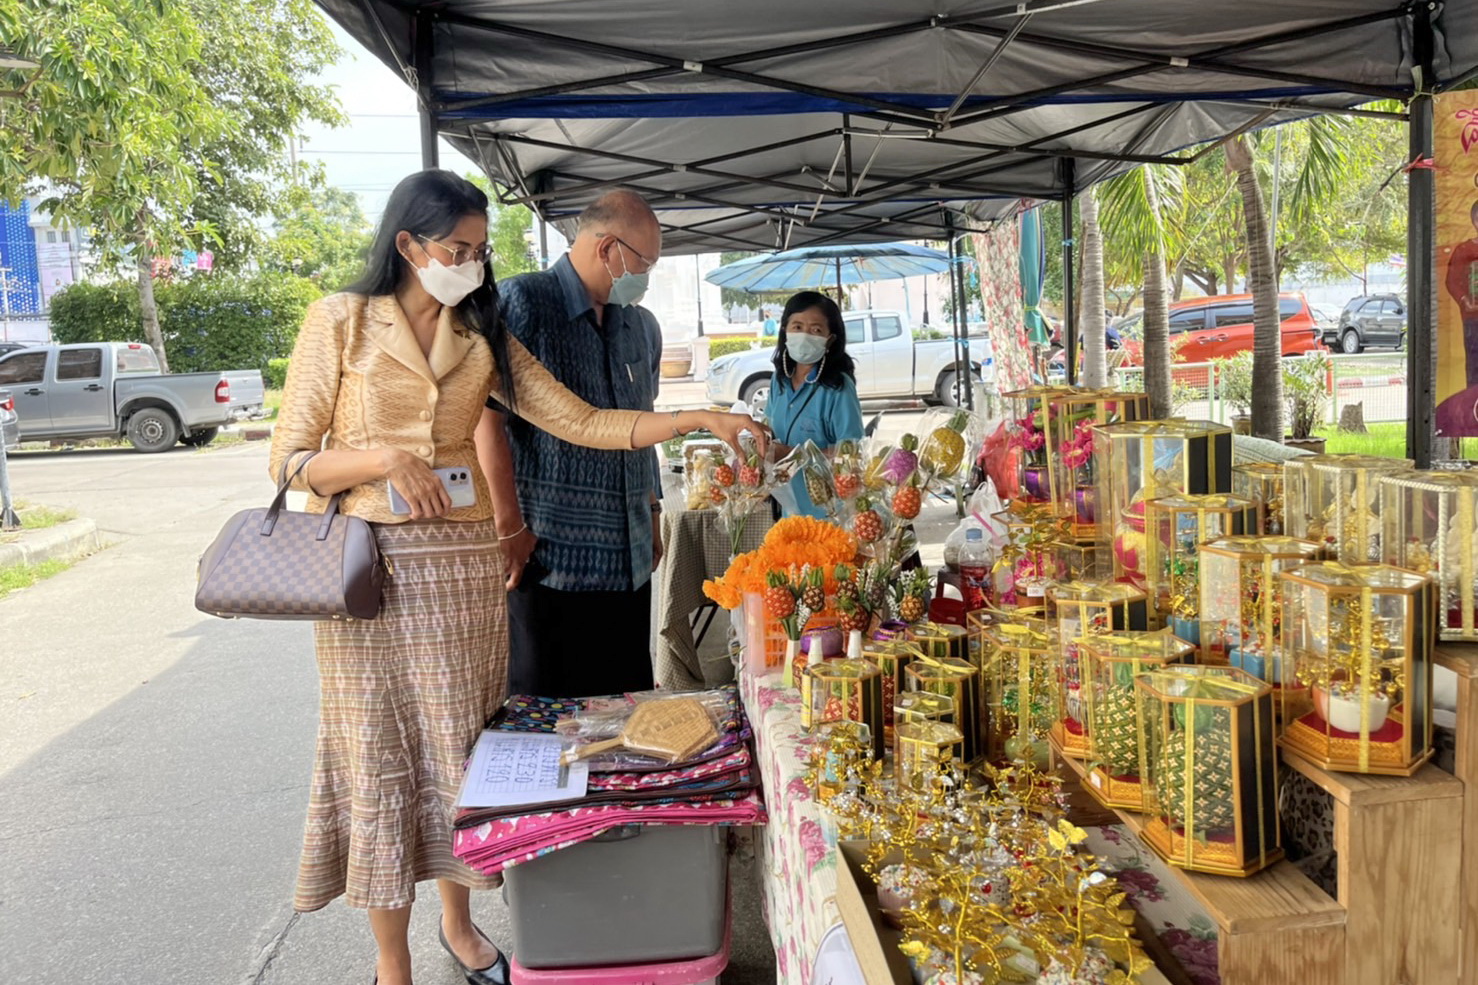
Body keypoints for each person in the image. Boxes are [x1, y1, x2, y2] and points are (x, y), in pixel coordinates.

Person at [269, 169, 764, 985]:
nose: (470, 263)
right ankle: (391, 964)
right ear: (408, 245)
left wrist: (697, 418)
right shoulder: (341, 321)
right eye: (455, 248)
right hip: (370, 587)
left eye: (478, 249)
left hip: (463, 585)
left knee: (464, 758)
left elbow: (581, 419)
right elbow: (290, 463)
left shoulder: (483, 336)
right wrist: (384, 457)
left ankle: (460, 927)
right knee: (382, 763)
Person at [477, 189, 666, 700]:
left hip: (626, 564)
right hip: (551, 558)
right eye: (643, 262)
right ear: (607, 249)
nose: (645, 276)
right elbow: (485, 423)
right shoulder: (522, 304)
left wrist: (651, 510)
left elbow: (641, 426)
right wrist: (507, 525)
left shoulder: (641, 327)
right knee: (547, 721)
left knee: (624, 714)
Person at [764, 290, 864, 517]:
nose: (805, 335)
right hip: (789, 510)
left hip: (831, 513)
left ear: (829, 340)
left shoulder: (838, 388)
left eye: (816, 330)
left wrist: (794, 455)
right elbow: (769, 430)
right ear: (785, 331)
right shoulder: (778, 381)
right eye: (797, 327)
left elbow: (852, 454)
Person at [1444, 200, 1478, 387]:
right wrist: (1465, 300)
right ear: (1474, 221)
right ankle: (1473, 410)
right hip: (1473, 319)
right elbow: (1451, 281)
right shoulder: (1464, 250)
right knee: (1475, 366)